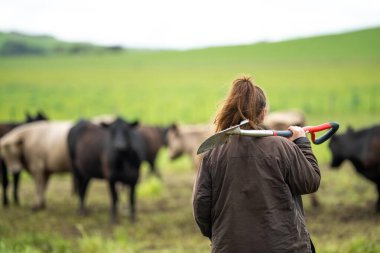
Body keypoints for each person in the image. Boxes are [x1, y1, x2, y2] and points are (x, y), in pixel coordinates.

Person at [192, 76, 319, 253]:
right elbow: (310, 182)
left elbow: (201, 206)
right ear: (263, 113)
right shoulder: (283, 147)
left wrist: (219, 235)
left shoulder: (212, 153)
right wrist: (302, 144)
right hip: (285, 247)